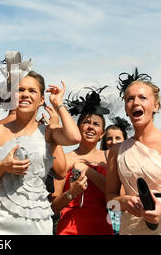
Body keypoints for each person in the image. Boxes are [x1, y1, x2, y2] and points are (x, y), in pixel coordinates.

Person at [0, 70, 77, 235]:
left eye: (32, 91)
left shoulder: (49, 132)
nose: (25, 95)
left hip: (36, 221)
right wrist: (2, 167)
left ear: (41, 100)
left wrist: (58, 103)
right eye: (20, 90)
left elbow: (74, 137)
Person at [106, 68, 161, 235]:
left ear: (156, 105)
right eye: (129, 99)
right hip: (129, 228)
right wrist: (123, 201)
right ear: (126, 109)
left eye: (143, 97)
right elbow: (110, 199)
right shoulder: (116, 151)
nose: (135, 102)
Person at [52, 86, 114, 235]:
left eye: (96, 124)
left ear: (102, 134)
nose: (90, 127)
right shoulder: (65, 159)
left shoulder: (109, 158)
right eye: (86, 122)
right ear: (78, 127)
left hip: (103, 228)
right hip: (69, 229)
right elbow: (54, 207)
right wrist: (72, 193)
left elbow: (115, 196)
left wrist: (88, 170)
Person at [99, 116, 131, 235]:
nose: (114, 142)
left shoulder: (131, 163)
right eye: (109, 138)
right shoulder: (100, 162)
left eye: (118, 138)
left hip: (127, 213)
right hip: (104, 215)